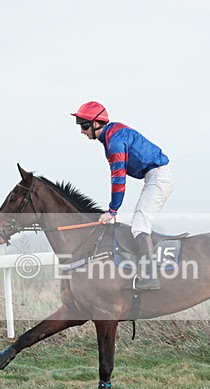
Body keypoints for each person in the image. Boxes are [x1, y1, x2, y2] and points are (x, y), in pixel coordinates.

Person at [71, 101, 174, 290]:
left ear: (96, 124)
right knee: (138, 225)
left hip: (158, 177)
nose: (82, 131)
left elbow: (118, 178)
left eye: (84, 126)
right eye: (80, 126)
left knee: (140, 226)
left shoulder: (114, 142)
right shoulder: (112, 134)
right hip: (154, 176)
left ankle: (150, 278)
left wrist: (112, 209)